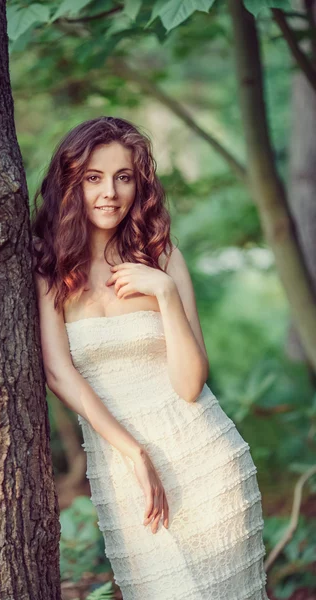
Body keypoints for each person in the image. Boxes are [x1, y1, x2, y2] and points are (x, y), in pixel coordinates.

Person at [31, 116, 269, 600]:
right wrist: (133, 451)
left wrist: (164, 292)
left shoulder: (162, 257)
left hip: (203, 459)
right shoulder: (48, 266)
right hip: (124, 467)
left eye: (124, 177)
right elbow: (59, 372)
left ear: (139, 184)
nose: (110, 193)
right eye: (93, 178)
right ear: (70, 183)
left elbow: (188, 385)